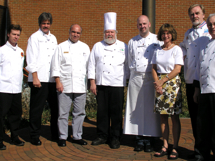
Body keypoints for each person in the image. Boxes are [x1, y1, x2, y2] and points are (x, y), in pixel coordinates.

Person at [180, 4, 215, 148]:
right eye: (192, 14)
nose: (195, 16)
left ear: (203, 14)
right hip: (194, 82)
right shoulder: (188, 34)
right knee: (198, 121)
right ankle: (201, 150)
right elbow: (184, 50)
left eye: (197, 13)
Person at [88, 12, 128, 149]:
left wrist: (126, 82)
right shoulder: (97, 46)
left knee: (116, 113)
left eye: (111, 32)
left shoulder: (124, 46)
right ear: (104, 33)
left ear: (116, 33)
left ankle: (115, 137)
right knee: (102, 112)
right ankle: (102, 135)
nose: (109, 34)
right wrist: (92, 82)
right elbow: (91, 65)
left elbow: (128, 65)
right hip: (101, 84)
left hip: (117, 84)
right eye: (107, 32)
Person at [123, 15, 162, 152]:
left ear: (149, 24)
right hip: (136, 78)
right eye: (140, 24)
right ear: (137, 25)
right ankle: (139, 138)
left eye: (144, 24)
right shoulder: (132, 41)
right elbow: (129, 61)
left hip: (151, 78)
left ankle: (150, 139)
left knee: (150, 110)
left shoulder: (157, 39)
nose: (142, 26)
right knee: (137, 109)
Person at [51, 24, 90, 147]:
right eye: (73, 32)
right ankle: (63, 136)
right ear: (69, 32)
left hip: (80, 85)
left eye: (78, 33)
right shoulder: (61, 47)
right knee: (63, 113)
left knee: (79, 112)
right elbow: (55, 66)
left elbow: (89, 67)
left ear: (80, 34)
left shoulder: (85, 47)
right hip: (65, 85)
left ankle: (77, 136)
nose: (75, 35)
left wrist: (90, 83)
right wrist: (58, 81)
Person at [0, 24, 25, 150]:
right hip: (3, 89)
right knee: (0, 116)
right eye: (14, 34)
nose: (16, 37)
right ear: (8, 34)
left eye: (18, 35)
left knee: (15, 114)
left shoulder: (20, 52)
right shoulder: (1, 51)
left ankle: (14, 137)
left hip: (16, 89)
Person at [26, 12, 59, 145]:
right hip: (38, 79)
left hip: (51, 80)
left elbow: (55, 59)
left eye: (48, 23)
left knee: (55, 108)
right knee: (36, 109)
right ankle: (34, 136)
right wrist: (35, 77)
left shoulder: (53, 38)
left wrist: (57, 78)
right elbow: (30, 58)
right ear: (40, 23)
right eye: (44, 23)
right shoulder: (34, 37)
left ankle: (55, 134)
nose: (46, 25)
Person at [151, 24, 183, 159]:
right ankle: (165, 145)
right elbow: (153, 68)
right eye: (163, 33)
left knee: (174, 116)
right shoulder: (157, 50)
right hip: (159, 84)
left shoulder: (177, 49)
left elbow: (177, 69)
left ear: (172, 34)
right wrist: (157, 83)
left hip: (172, 84)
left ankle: (175, 147)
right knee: (162, 116)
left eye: (168, 33)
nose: (166, 36)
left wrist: (162, 81)